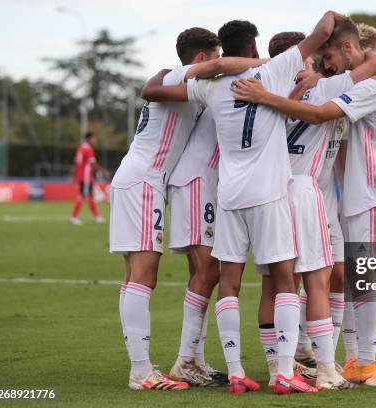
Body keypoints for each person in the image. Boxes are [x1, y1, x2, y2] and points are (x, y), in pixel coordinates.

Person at [142, 11, 345, 395]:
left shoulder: (211, 87)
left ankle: (236, 371)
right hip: (269, 194)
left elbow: (157, 90)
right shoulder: (275, 72)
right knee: (285, 281)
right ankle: (284, 370)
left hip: (230, 197)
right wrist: (337, 18)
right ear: (253, 47)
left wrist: (216, 66)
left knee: (229, 284)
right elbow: (323, 29)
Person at [230, 17, 376, 388]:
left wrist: (265, 96)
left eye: (329, 57)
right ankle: (363, 364)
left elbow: (327, 111)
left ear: (349, 49)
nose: (325, 65)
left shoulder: (373, 86)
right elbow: (346, 135)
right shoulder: (353, 86)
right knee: (360, 281)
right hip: (359, 196)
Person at [110, 26, 264, 391]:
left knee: (142, 274)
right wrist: (271, 61)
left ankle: (170, 362)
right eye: (215, 56)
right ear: (200, 59)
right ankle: (143, 371)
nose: (220, 63)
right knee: (144, 275)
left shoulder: (189, 86)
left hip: (147, 180)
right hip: (146, 181)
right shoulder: (178, 76)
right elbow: (155, 86)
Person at [70, 131, 110, 225]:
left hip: (82, 176)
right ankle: (74, 218)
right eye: (93, 138)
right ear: (88, 139)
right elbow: (92, 163)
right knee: (82, 195)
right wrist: (104, 171)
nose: (95, 140)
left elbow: (77, 163)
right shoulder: (88, 149)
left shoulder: (80, 148)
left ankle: (97, 217)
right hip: (86, 177)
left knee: (90, 196)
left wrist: (74, 175)